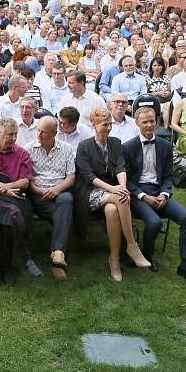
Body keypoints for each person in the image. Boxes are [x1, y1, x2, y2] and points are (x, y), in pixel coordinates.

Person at [123, 108, 186, 288]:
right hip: (138, 195)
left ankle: (185, 265)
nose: (150, 125)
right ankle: (147, 252)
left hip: (159, 192)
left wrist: (164, 194)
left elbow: (168, 176)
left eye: (152, 121)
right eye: (145, 122)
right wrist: (144, 197)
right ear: (137, 124)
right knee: (154, 223)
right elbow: (126, 180)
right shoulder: (128, 147)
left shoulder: (165, 145)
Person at [74, 108, 151, 281]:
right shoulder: (84, 146)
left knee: (112, 210)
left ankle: (114, 259)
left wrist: (122, 186)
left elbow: (120, 167)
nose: (109, 128)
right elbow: (88, 176)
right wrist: (114, 189)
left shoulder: (115, 143)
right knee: (119, 198)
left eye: (110, 124)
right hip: (91, 190)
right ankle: (132, 245)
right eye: (104, 125)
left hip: (112, 191)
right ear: (93, 125)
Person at [0, 119, 40, 286]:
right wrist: (2, 190)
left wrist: (7, 187)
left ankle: (13, 263)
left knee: (17, 216)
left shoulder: (22, 153)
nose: (14, 138)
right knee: (10, 218)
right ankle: (20, 260)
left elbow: (25, 182)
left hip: (16, 194)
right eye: (10, 134)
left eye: (15, 134)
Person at [25, 116, 75, 280]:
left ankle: (58, 254)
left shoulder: (66, 149)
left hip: (60, 190)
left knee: (66, 200)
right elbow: (27, 179)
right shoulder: (29, 149)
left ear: (55, 133)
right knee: (63, 215)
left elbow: (71, 177)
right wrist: (38, 190)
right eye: (38, 130)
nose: (39, 134)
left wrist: (57, 189)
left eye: (44, 132)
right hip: (38, 194)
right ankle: (58, 256)